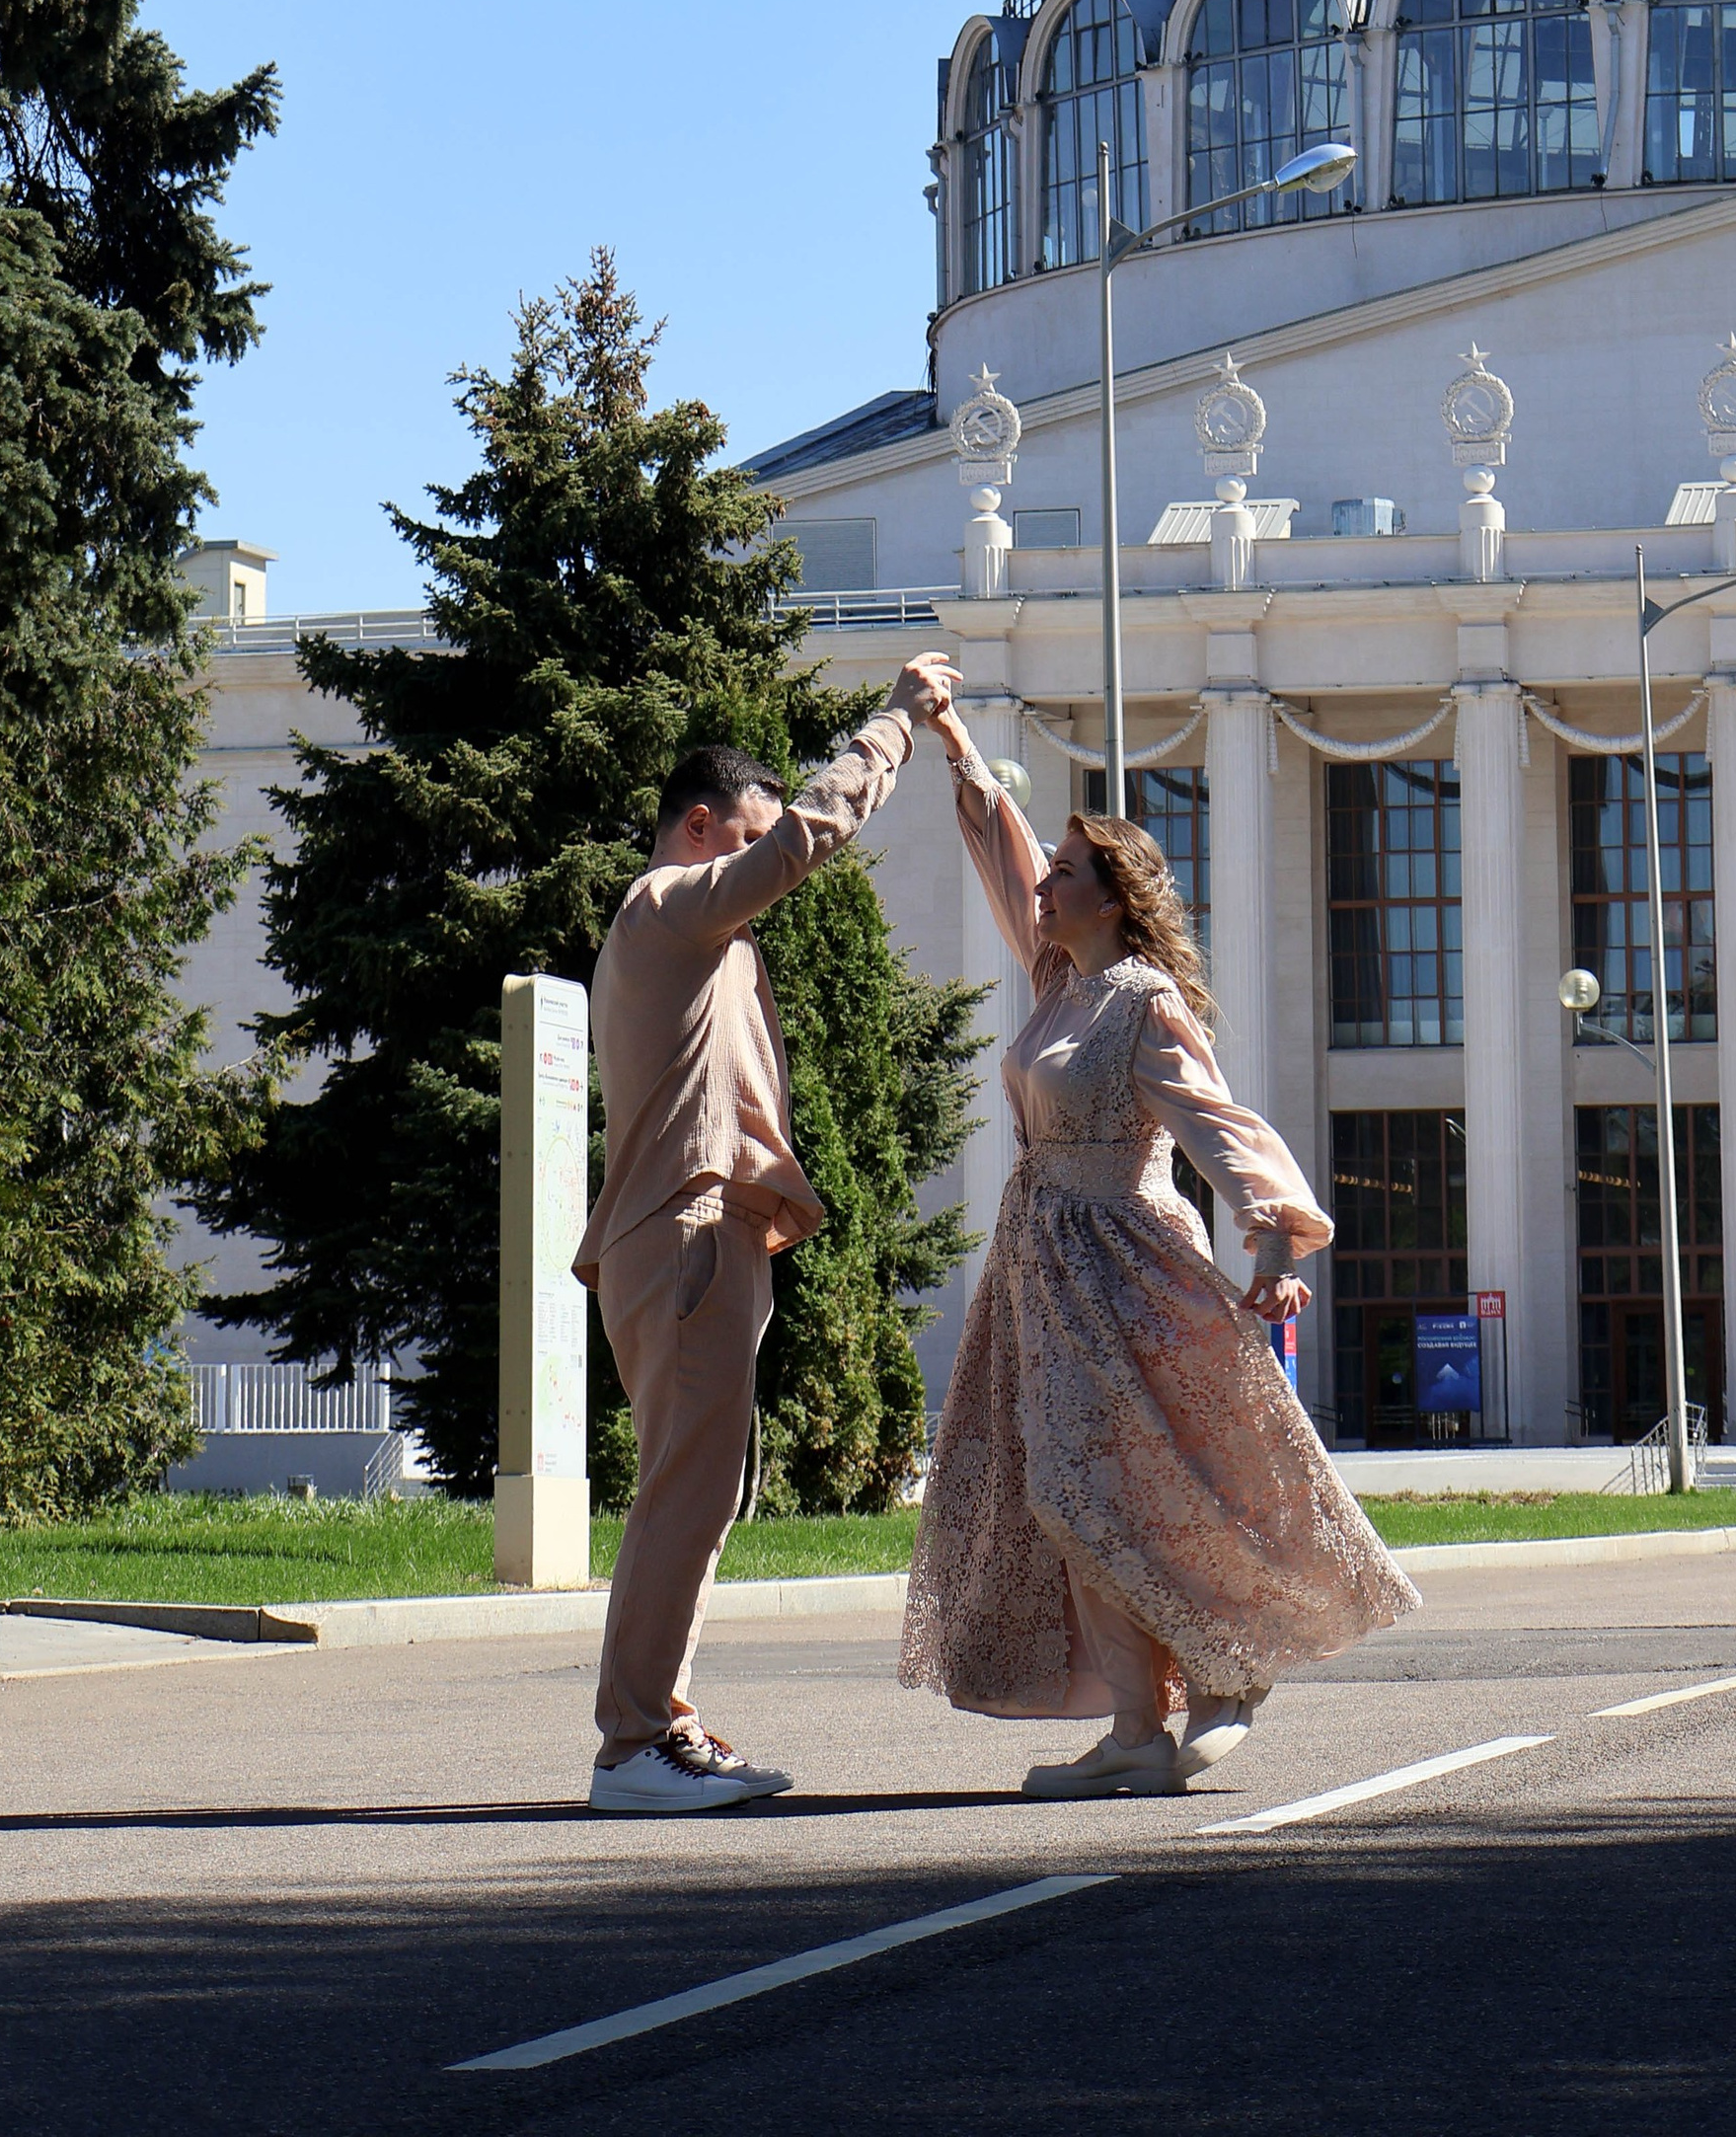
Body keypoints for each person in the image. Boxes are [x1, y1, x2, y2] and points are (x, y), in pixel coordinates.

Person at [900, 708, 1419, 1796]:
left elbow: (1221, 1129)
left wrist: (1276, 1237)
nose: (1046, 882)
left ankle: (1213, 1674)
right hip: (1041, 1269)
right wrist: (950, 740)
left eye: (1069, 871)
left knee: (1108, 1488)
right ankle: (1144, 1723)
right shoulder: (1059, 984)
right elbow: (1005, 858)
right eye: (1049, 868)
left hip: (1123, 1261)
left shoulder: (1142, 1002)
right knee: (1064, 1491)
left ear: (1115, 897)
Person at [572, 657, 958, 1813]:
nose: (761, 860)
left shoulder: (705, 941)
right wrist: (890, 726)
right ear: (701, 829)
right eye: (742, 835)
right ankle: (634, 1747)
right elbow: (804, 840)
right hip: (686, 1229)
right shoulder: (665, 906)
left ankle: (663, 1731)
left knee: (698, 1491)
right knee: (686, 1493)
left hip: (702, 1230)